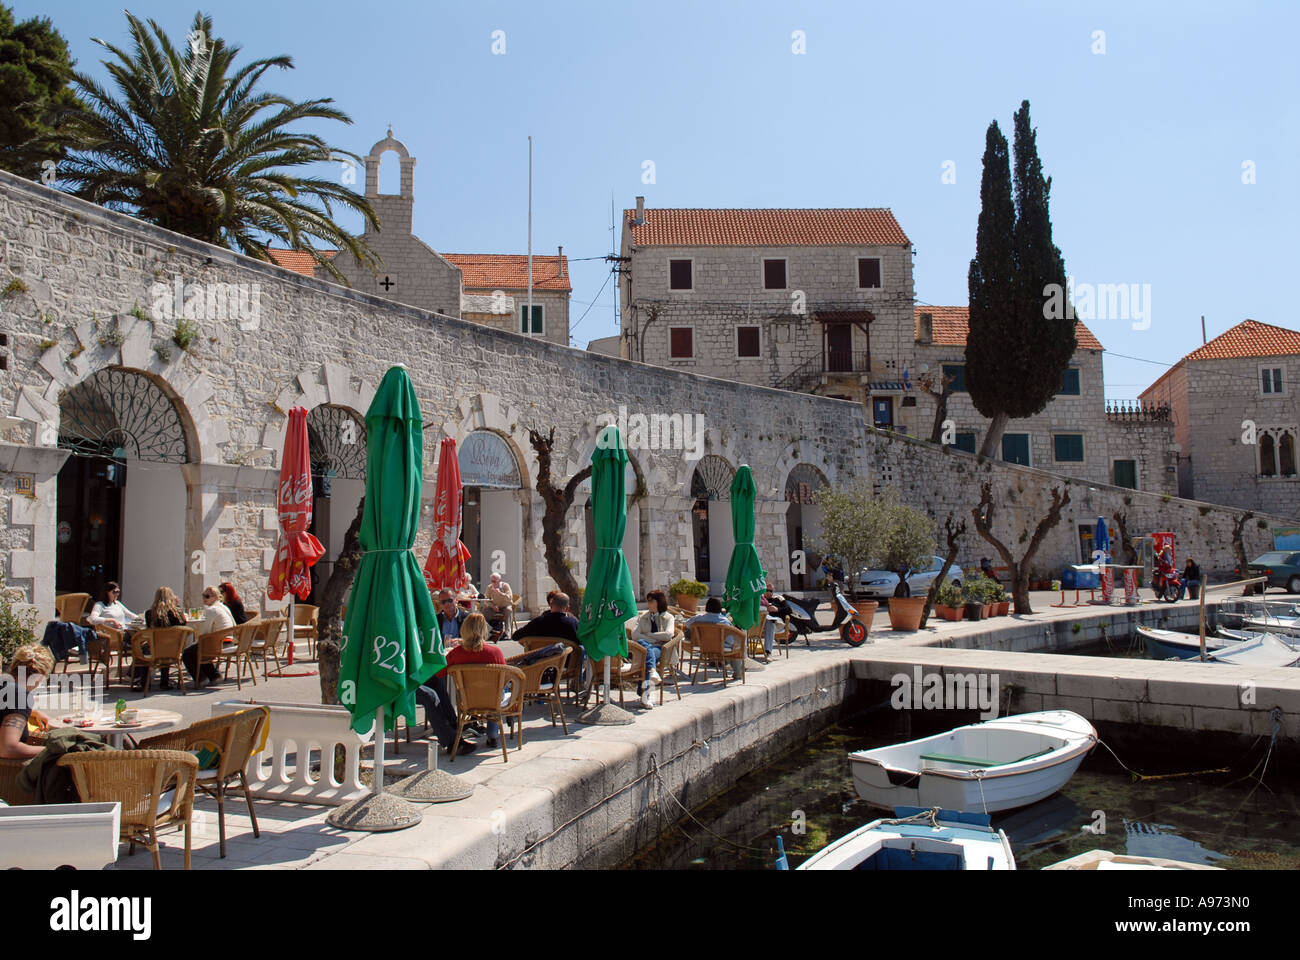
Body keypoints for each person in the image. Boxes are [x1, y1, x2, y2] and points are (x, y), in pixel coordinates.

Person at [440, 613, 508, 748]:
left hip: (466, 699)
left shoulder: (456, 653)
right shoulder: (494, 652)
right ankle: (493, 734)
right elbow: (505, 677)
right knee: (499, 689)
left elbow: (441, 672)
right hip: (491, 698)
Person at [0, 644, 53, 760]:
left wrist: (32, 712)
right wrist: (55, 751)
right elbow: (8, 749)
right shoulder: (19, 696)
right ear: (41, 677)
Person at [137, 586, 189, 689]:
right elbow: (183, 627)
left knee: (144, 647)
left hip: (154, 649)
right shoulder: (178, 613)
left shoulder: (149, 613)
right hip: (173, 649)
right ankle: (164, 682)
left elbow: (148, 628)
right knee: (166, 646)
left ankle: (144, 682)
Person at [631, 590, 676, 709]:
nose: (648, 604)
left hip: (661, 649)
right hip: (646, 647)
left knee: (646, 653)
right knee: (645, 650)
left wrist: (649, 635)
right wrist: (654, 638)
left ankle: (646, 693)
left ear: (658, 602)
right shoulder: (643, 617)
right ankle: (651, 673)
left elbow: (668, 635)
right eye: (648, 601)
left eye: (651, 601)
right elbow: (635, 635)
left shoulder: (668, 617)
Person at [683, 597, 745, 680]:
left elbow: (687, 624)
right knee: (736, 646)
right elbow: (730, 641)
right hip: (721, 648)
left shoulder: (699, 618)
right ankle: (738, 673)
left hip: (703, 647)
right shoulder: (724, 621)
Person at [189, 585, 235, 687]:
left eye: (207, 596)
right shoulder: (223, 607)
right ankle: (214, 676)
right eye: (203, 596)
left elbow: (204, 631)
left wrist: (195, 642)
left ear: (215, 597)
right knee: (197, 649)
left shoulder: (212, 610)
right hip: (229, 641)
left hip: (220, 643)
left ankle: (201, 679)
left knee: (188, 653)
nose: (204, 599)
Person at [760, 584, 793, 659]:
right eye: (767, 590)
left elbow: (789, 610)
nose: (769, 593)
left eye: (771, 591)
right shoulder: (761, 600)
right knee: (768, 621)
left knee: (770, 623)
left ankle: (768, 652)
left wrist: (777, 609)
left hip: (777, 624)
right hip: (761, 624)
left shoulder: (778, 599)